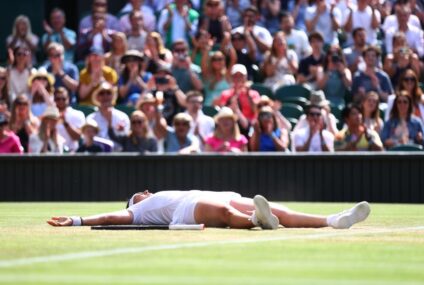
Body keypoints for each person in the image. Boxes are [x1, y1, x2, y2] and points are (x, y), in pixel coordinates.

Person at [47, 190, 371, 231]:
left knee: (277, 209)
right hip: (188, 210)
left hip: (202, 194)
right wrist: (76, 219)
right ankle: (256, 221)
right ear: (135, 203)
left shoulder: (156, 195)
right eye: (137, 195)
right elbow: (109, 218)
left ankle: (333, 220)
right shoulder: (139, 212)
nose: (143, 191)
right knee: (228, 214)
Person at [87, 82, 130, 151]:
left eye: (108, 93)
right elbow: (87, 141)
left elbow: (125, 140)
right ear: (97, 97)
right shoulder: (90, 119)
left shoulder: (122, 117)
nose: (105, 96)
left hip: (118, 157)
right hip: (97, 156)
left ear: (112, 96)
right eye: (102, 93)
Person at [54, 87, 85, 153]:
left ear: (68, 99)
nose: (61, 101)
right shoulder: (49, 116)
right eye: (58, 99)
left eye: (63, 99)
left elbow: (78, 137)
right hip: (53, 153)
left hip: (72, 153)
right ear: (54, 100)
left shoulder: (78, 114)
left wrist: (65, 122)